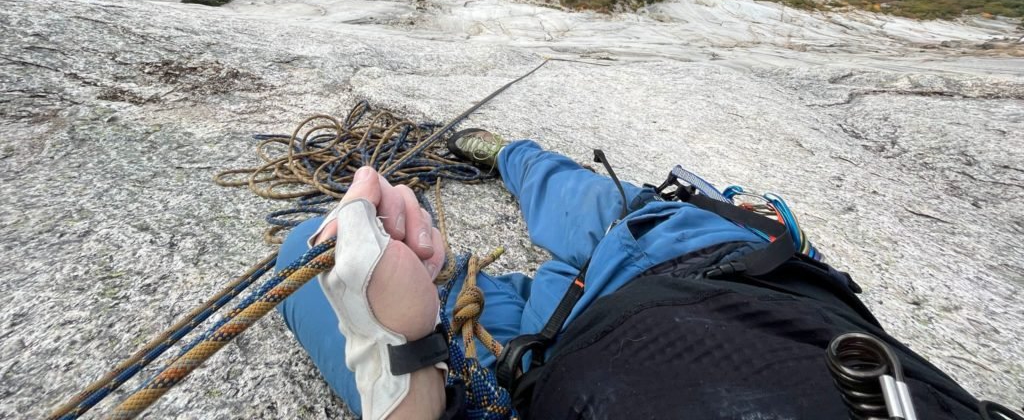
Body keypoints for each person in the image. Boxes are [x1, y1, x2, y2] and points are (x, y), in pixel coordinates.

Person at [275, 131, 1012, 420]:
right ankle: (507, 156)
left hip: (550, 353)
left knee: (312, 256)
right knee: (565, 187)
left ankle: (505, 162)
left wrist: (408, 374)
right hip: (700, 261)